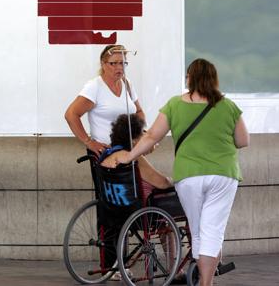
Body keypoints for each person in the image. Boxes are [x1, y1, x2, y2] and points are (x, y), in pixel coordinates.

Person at [115, 58, 249, 286]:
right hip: (223, 175)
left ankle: (203, 279)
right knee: (213, 231)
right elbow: (243, 140)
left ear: (189, 78)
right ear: (213, 79)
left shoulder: (174, 105)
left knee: (197, 231)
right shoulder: (228, 106)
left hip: (189, 176)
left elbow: (151, 136)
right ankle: (206, 283)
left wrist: (129, 156)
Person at [95, 113, 172, 281]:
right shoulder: (134, 158)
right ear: (135, 139)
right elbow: (162, 183)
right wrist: (175, 181)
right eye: (143, 133)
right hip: (137, 215)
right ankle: (174, 270)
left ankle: (117, 265)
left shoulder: (106, 154)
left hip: (111, 211)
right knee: (168, 225)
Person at [64, 44, 145, 155]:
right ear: (103, 64)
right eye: (113, 63)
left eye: (122, 63)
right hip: (106, 152)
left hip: (129, 150)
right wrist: (89, 142)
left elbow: (139, 112)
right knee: (147, 172)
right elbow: (71, 114)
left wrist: (140, 134)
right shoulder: (95, 87)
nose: (119, 68)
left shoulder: (127, 84)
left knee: (147, 171)